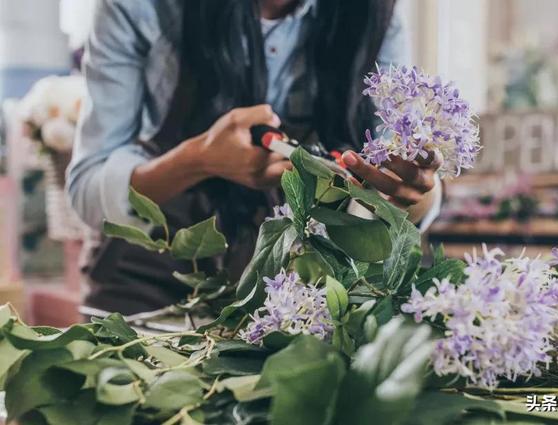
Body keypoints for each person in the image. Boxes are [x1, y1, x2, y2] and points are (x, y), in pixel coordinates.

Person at [67, 0, 443, 315]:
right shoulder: (139, 7)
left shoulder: (373, 13)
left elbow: (395, 195)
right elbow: (87, 191)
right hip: (148, 277)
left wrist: (414, 191)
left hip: (301, 290)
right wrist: (198, 160)